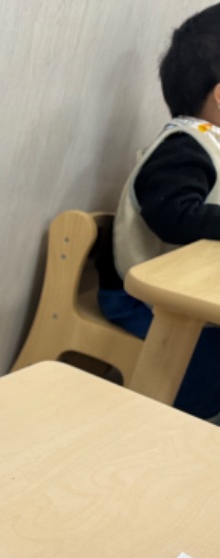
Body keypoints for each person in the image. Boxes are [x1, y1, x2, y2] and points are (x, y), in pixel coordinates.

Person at [104, 3, 220, 419]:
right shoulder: (184, 146)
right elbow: (174, 215)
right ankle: (178, 425)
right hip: (141, 299)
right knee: (205, 368)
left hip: (187, 296)